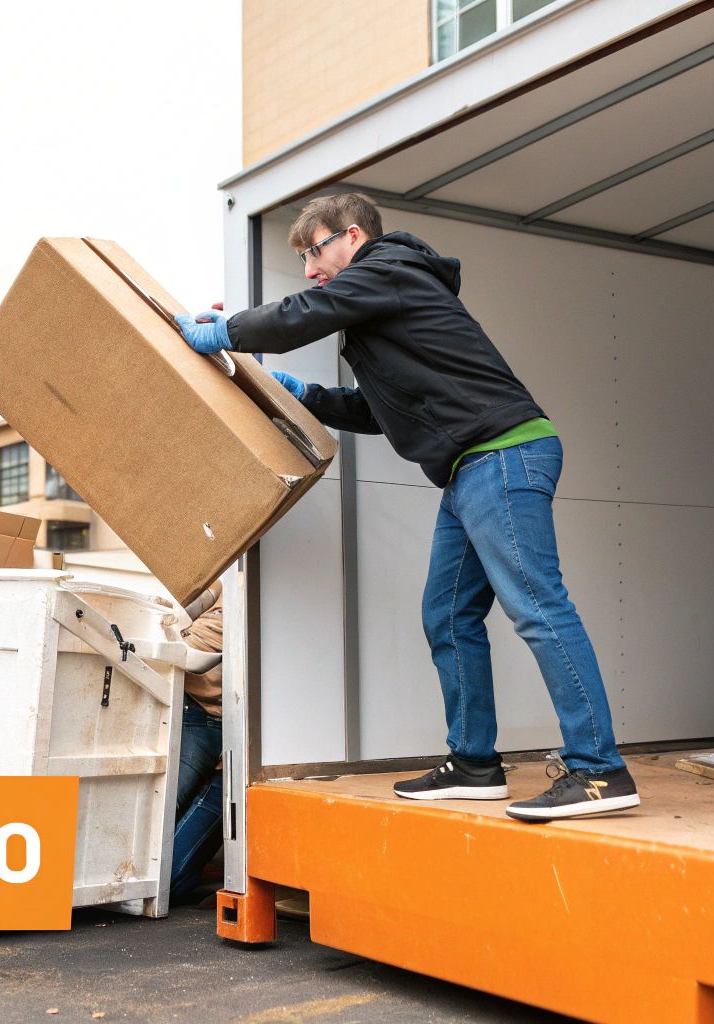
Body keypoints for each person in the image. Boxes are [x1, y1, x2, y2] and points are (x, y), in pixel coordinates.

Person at [171, 192, 638, 821]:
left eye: (313, 252)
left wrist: (227, 331)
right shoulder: (382, 306)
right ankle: (474, 764)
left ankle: (599, 769)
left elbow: (302, 312)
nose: (309, 270)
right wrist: (305, 394)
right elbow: (379, 409)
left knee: (537, 607)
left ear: (353, 237)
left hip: (503, 455)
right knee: (446, 616)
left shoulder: (388, 268)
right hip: (471, 467)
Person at [170, 582, 226, 901]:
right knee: (160, 814)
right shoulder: (226, 575)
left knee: (169, 878)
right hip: (197, 706)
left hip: (215, 717)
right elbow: (175, 614)